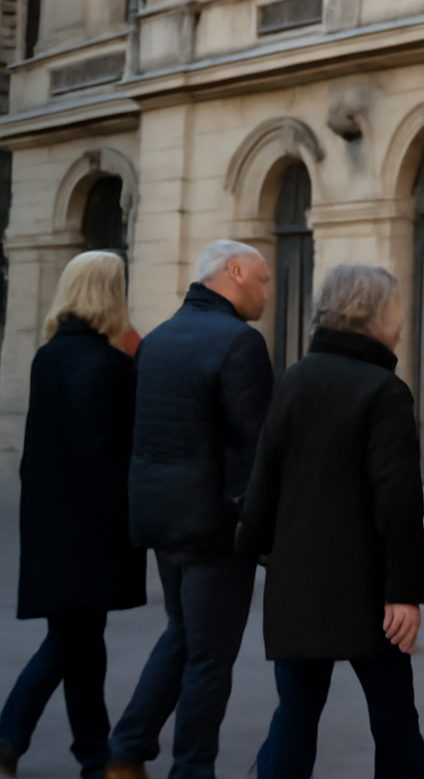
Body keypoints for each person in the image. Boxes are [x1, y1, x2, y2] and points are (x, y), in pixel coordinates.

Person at [238, 264, 424, 779]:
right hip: (367, 590)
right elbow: (397, 501)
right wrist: (404, 592)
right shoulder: (384, 390)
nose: (401, 325)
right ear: (374, 318)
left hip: (298, 583)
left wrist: (256, 551)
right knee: (394, 720)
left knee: (296, 715)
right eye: (397, 314)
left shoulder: (295, 378)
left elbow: (265, 477)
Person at [107, 240, 274, 779]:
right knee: (209, 656)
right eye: (263, 279)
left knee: (183, 634)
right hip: (215, 525)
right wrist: (267, 529)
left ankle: (127, 750)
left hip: (163, 518)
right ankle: (191, 769)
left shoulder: (157, 339)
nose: (267, 291)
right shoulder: (239, 343)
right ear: (234, 272)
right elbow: (258, 448)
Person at [0, 253, 144, 779]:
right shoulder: (111, 365)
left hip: (50, 524)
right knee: (72, 641)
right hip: (92, 532)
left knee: (82, 640)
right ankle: (7, 736)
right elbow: (109, 454)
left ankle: (94, 756)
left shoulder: (48, 356)